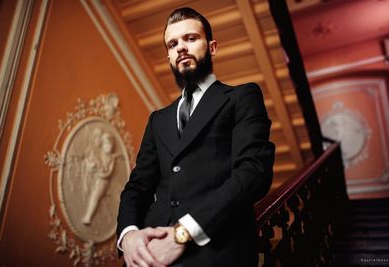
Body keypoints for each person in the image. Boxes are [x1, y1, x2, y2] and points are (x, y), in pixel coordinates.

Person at [116, 7, 275, 267]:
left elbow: (253, 173)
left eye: (190, 39)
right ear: (168, 56)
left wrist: (182, 235)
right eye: (173, 43)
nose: (181, 47)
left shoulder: (242, 97)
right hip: (148, 255)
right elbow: (138, 187)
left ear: (212, 47)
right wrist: (129, 235)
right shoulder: (158, 119)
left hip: (214, 251)